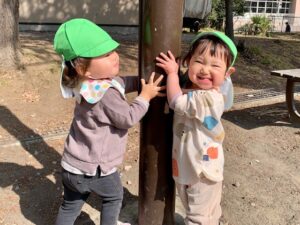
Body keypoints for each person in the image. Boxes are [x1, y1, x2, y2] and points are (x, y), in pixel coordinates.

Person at [53, 18, 165, 225]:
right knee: (113, 197)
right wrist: (145, 96)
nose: (114, 57)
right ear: (82, 68)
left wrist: (141, 81)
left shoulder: (86, 83)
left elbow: (122, 82)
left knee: (69, 206)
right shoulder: (105, 94)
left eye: (113, 50)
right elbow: (128, 118)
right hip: (94, 169)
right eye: (104, 55)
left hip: (71, 166)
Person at [156, 31, 237, 225]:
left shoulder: (210, 98)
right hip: (190, 165)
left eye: (215, 65)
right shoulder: (198, 93)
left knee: (198, 217)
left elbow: (176, 101)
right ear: (189, 61)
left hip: (203, 170)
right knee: (203, 212)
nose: (205, 70)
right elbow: (187, 94)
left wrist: (172, 74)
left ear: (227, 73)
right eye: (199, 61)